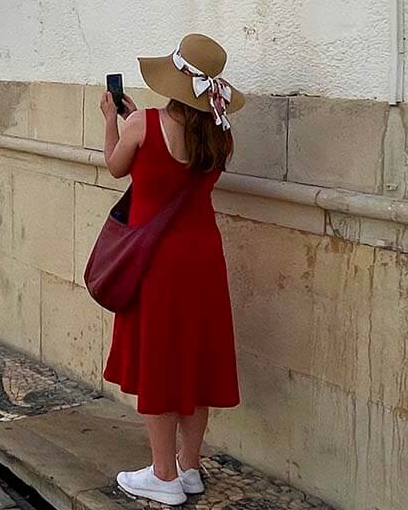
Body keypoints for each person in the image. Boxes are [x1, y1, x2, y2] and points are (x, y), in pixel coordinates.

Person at [100, 34, 244, 507]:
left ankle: (162, 477)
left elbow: (116, 167)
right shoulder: (222, 134)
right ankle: (189, 466)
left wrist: (111, 121)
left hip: (156, 261)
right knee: (194, 360)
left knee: (160, 362)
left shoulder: (142, 123)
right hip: (203, 257)